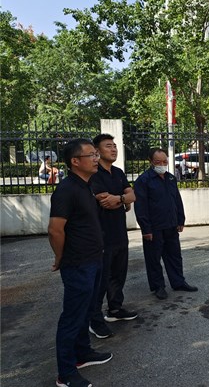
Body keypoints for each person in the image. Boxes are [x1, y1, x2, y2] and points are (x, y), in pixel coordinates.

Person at [48, 139, 112, 387]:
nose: (96, 159)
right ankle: (66, 373)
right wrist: (60, 257)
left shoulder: (86, 185)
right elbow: (55, 230)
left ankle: (83, 353)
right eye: (91, 155)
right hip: (77, 264)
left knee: (86, 310)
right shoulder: (66, 190)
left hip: (94, 258)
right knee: (72, 317)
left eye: (96, 154)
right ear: (75, 161)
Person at [88, 134, 138, 339]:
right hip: (101, 235)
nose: (114, 149)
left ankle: (115, 309)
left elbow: (132, 195)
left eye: (115, 146)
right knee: (100, 280)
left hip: (119, 233)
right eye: (108, 146)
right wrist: (124, 199)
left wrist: (120, 198)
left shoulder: (117, 172)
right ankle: (94, 320)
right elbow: (104, 201)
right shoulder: (94, 174)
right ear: (97, 151)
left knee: (118, 274)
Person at [134, 148, 198, 300]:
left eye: (165, 161)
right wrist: (146, 229)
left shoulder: (170, 178)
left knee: (175, 256)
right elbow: (140, 206)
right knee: (154, 258)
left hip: (171, 224)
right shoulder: (143, 180)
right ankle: (158, 286)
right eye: (158, 162)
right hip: (154, 227)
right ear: (151, 161)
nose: (162, 165)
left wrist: (180, 220)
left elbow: (177, 200)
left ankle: (178, 282)